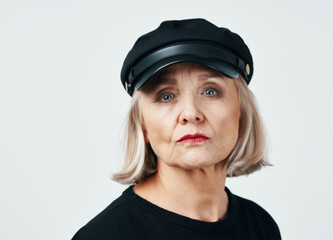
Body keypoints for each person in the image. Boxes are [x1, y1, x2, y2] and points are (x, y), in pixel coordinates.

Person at [72, 18, 281, 239]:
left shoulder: (260, 226)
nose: (190, 113)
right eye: (166, 96)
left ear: (242, 112)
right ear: (143, 125)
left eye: (210, 91)